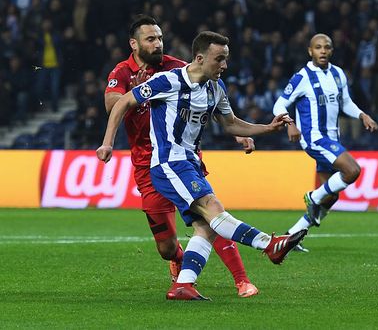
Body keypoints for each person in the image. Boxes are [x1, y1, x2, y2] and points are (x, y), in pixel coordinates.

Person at [97, 30, 307, 300]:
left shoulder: (215, 89)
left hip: (191, 163)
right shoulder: (169, 81)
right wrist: (108, 143)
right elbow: (124, 101)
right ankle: (269, 244)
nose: (225, 66)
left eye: (226, 59)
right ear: (199, 58)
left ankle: (184, 284)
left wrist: (268, 128)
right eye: (219, 59)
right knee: (212, 209)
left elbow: (230, 123)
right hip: (169, 164)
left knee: (206, 227)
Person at [273, 34, 378, 252]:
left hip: (332, 139)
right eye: (318, 47)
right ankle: (313, 196)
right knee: (352, 171)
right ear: (310, 51)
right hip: (315, 138)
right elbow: (279, 105)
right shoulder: (302, 77)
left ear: (332, 51)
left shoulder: (338, 74)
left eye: (327, 47)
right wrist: (289, 123)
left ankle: (291, 237)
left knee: (330, 197)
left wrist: (362, 115)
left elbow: (346, 102)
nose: (323, 51)